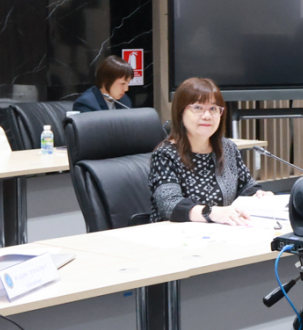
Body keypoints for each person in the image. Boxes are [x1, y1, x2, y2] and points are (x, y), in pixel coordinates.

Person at [149, 77, 266, 224]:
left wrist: (258, 195)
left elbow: (246, 187)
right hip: (176, 234)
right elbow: (170, 205)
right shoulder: (165, 154)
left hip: (220, 232)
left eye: (213, 109)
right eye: (198, 108)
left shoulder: (227, 148)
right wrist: (210, 213)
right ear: (181, 113)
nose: (207, 116)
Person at [71, 56, 136, 113]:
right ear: (106, 81)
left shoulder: (124, 100)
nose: (126, 89)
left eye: (128, 83)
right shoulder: (86, 104)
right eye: (122, 83)